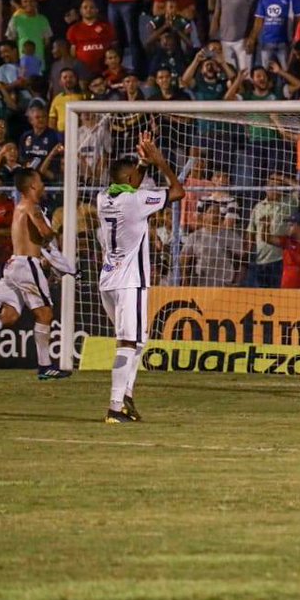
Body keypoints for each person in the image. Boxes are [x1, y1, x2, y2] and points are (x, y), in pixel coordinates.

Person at [96, 134, 184, 423]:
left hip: (108, 279)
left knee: (139, 339)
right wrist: (160, 163)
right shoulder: (135, 202)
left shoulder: (103, 198)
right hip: (130, 281)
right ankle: (114, 406)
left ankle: (127, 396)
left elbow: (130, 182)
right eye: (138, 176)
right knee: (127, 342)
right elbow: (178, 191)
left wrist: (143, 164)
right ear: (131, 178)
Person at [6, 168, 69, 378]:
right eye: (40, 180)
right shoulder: (32, 207)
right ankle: (45, 366)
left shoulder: (19, 206)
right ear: (32, 185)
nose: (43, 184)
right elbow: (45, 233)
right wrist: (57, 231)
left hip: (13, 264)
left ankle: (45, 366)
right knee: (45, 313)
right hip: (26, 265)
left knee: (8, 315)